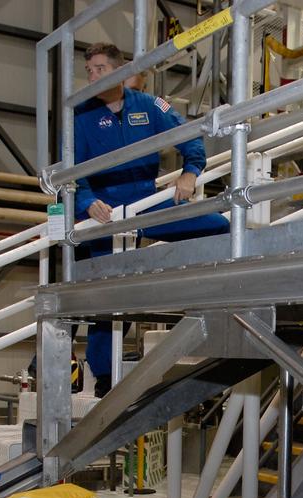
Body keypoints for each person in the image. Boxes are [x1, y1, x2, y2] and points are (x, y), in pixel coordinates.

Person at [76, 41, 230, 396]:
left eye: (100, 69)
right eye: (89, 71)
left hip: (148, 201)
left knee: (218, 226)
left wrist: (190, 172)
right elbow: (72, 171)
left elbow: (189, 136)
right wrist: (87, 201)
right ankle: (103, 376)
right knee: (109, 296)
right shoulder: (80, 114)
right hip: (108, 213)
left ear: (118, 71)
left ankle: (213, 298)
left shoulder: (149, 105)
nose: (93, 76)